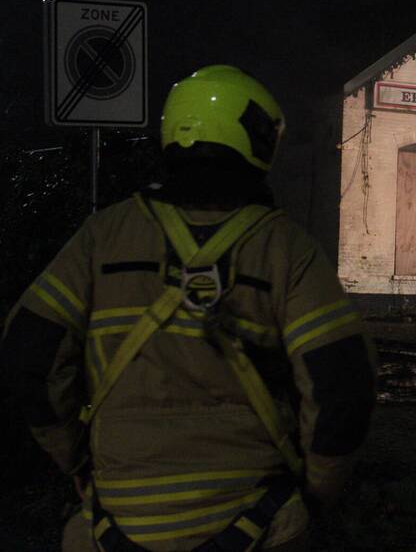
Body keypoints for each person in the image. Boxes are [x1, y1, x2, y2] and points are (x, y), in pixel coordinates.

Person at [1, 65, 376, 551]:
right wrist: (317, 490)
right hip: (256, 522)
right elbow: (343, 383)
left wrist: (78, 461)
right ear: (254, 142)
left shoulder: (102, 237)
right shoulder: (286, 248)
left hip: (115, 525)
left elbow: (28, 352)